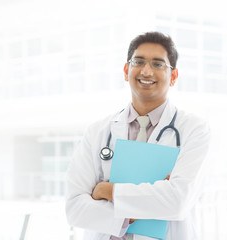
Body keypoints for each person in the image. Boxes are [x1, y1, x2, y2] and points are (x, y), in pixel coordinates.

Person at [66, 31, 210, 240]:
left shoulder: (194, 130)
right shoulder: (98, 131)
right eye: (138, 61)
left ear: (174, 76)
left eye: (158, 64)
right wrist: (141, 207)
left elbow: (178, 201)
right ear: (126, 70)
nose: (147, 71)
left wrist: (108, 191)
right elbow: (75, 207)